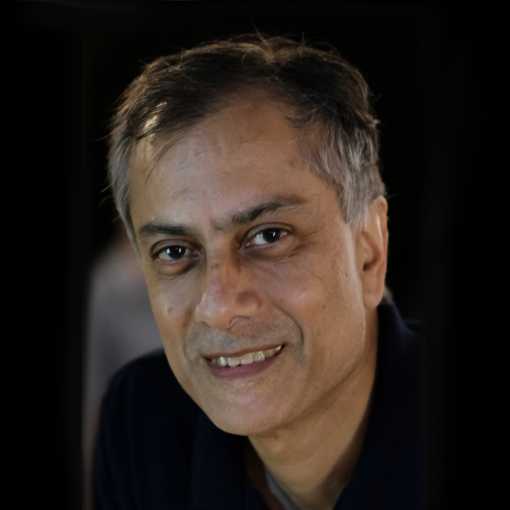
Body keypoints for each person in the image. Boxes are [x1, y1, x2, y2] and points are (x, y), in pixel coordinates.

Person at [93, 33, 425, 510]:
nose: (218, 306)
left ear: (369, 252)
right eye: (175, 251)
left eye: (269, 236)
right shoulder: (144, 423)